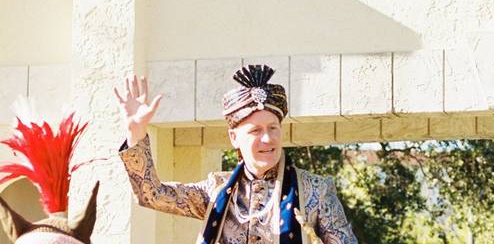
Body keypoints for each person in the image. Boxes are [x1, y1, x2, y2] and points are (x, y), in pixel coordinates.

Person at [114, 64, 358, 244]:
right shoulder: (215, 190)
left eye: (273, 128)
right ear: (234, 138)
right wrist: (135, 132)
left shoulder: (315, 190)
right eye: (255, 131)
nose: (267, 138)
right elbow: (153, 195)